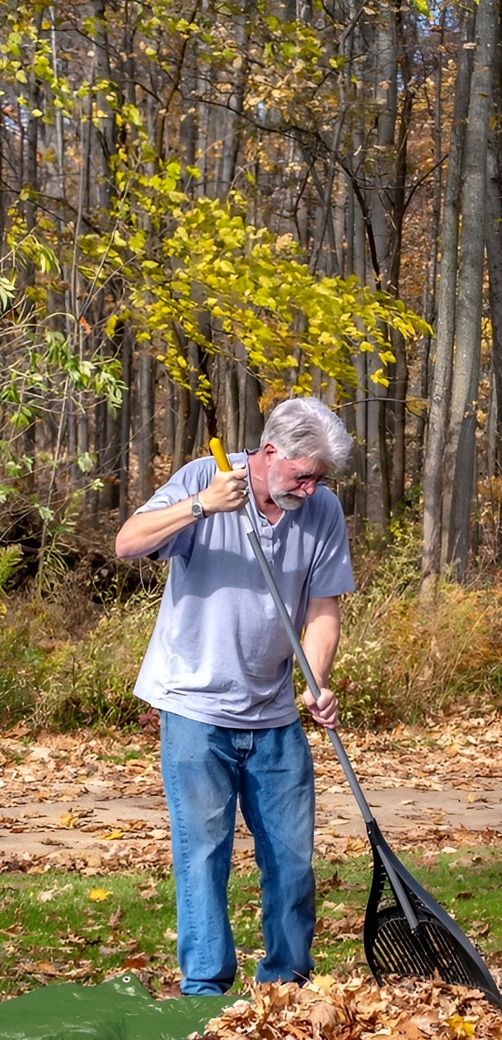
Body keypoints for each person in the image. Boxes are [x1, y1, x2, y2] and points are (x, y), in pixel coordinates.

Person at [115, 397, 355, 995]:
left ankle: (286, 990)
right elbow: (128, 542)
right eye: (304, 475)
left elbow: (323, 608)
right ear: (270, 452)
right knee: (203, 857)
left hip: (274, 714)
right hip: (195, 707)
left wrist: (316, 681)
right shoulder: (207, 477)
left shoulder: (322, 509)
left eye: (320, 478)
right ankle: (205, 993)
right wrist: (200, 506)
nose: (311, 488)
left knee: (292, 861)